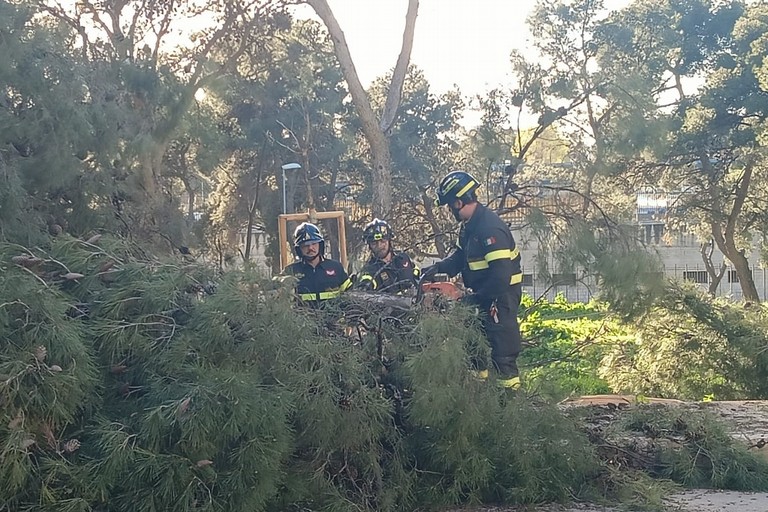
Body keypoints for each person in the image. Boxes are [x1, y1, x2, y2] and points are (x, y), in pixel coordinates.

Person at [422, 170, 524, 389]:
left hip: (500, 298)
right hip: (483, 296)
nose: (450, 211)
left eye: (450, 206)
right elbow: (461, 257)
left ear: (458, 202)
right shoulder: (470, 226)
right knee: (474, 350)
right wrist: (438, 268)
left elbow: (501, 277)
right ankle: (478, 396)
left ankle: (508, 407)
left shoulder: (489, 229)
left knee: (503, 356)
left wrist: (476, 300)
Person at [284, 222, 352, 306]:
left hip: (335, 318)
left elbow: (350, 295)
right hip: (303, 318)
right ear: (299, 249)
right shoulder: (291, 271)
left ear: (320, 245)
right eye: (305, 245)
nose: (310, 248)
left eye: (314, 243)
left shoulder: (336, 268)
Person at [356, 218, 421, 294]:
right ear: (369, 246)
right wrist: (363, 288)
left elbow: (417, 274)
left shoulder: (403, 258)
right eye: (374, 243)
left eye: (383, 241)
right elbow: (366, 284)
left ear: (389, 241)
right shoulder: (370, 270)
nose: (379, 246)